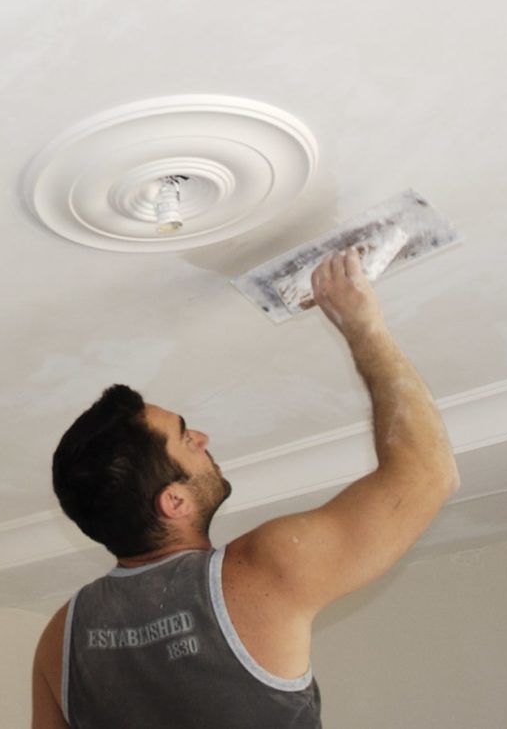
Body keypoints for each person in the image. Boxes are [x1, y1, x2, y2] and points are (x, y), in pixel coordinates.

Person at [31, 249, 460, 729]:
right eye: (185, 438)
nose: (202, 438)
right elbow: (427, 474)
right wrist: (363, 328)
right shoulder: (258, 571)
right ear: (174, 501)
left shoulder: (61, 640)